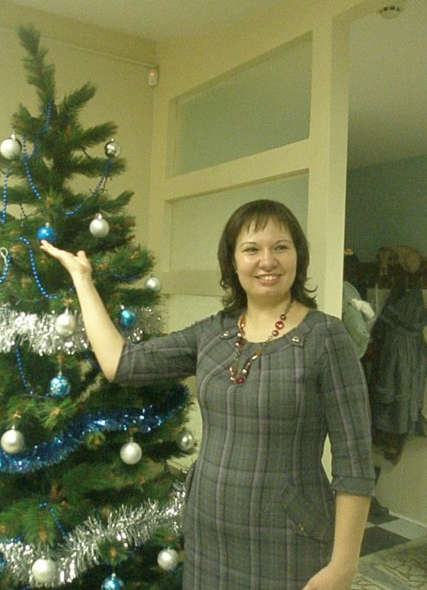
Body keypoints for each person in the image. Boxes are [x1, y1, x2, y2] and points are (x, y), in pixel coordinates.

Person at [41, 199, 375, 590]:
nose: (267, 261)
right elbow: (122, 363)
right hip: (208, 535)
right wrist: (83, 280)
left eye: (281, 247)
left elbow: (355, 462)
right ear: (232, 261)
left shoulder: (326, 337)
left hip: (290, 538)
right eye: (251, 249)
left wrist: (342, 567)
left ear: (298, 256)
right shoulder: (213, 333)